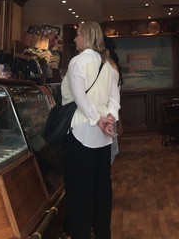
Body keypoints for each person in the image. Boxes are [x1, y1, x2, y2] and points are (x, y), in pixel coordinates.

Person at [61, 21, 120, 239]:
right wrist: (109, 119)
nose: (75, 39)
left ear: (86, 37)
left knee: (80, 192)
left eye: (78, 35)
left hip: (80, 134)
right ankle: (103, 232)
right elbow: (115, 99)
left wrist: (98, 119)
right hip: (103, 138)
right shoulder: (108, 66)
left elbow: (80, 98)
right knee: (102, 189)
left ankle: (81, 233)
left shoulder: (77, 62)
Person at [103, 35, 123, 163]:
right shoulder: (112, 65)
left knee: (107, 152)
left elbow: (112, 95)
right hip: (109, 113)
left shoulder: (110, 67)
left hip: (107, 114)